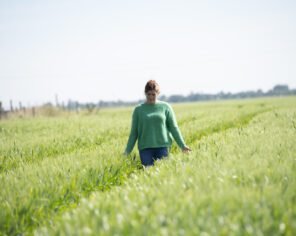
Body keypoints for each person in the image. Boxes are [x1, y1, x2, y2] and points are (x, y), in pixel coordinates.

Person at [124, 80, 191, 167]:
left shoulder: (165, 107)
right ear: (145, 93)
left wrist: (182, 145)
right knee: (148, 174)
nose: (151, 97)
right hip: (145, 149)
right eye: (149, 94)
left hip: (163, 147)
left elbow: (174, 127)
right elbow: (134, 133)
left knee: (162, 173)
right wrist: (127, 152)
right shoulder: (138, 110)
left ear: (157, 94)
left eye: (153, 94)